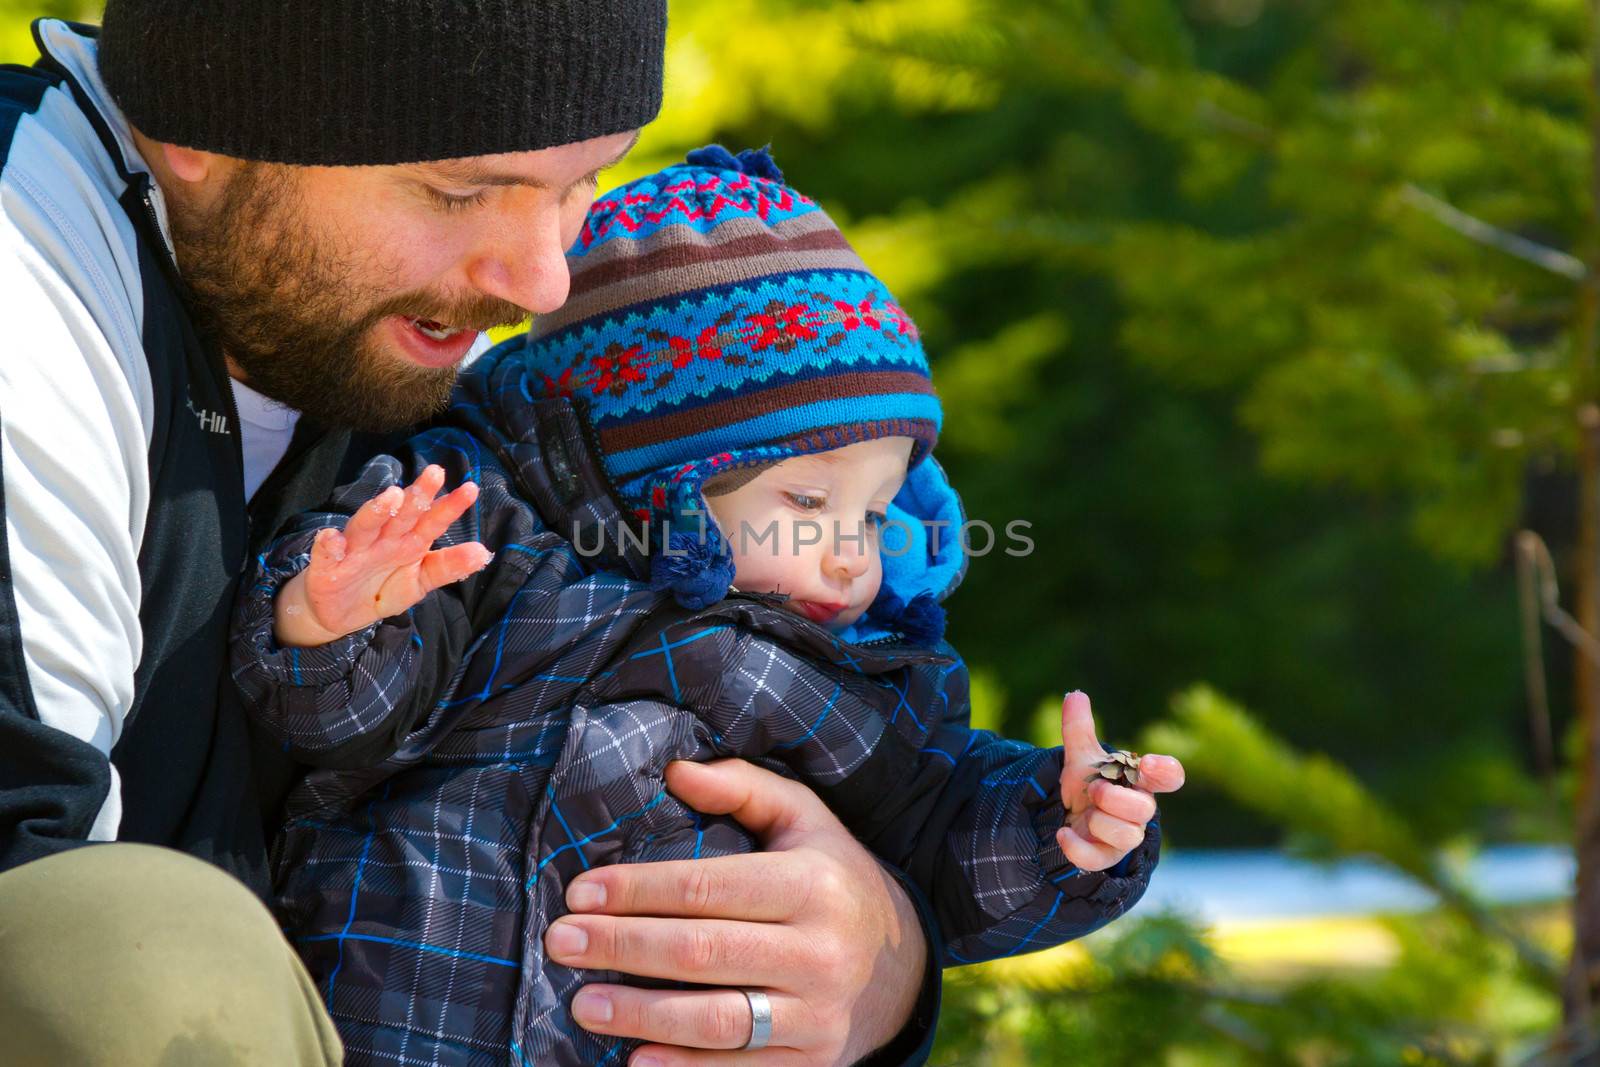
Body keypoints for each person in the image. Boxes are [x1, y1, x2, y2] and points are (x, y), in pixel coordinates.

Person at [0, 7, 979, 1064]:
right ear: (203, 122)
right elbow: (51, 927)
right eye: (458, 190)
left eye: (579, 186)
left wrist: (874, 954)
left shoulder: (474, 380)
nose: (542, 280)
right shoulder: (30, 272)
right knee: (120, 948)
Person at [230, 146, 1184, 1065]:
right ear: (659, 470)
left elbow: (938, 833)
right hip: (383, 1023)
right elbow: (345, 720)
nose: (852, 552)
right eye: (807, 502)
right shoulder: (485, 536)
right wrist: (335, 616)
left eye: (879, 510)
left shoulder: (844, 673)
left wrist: (1062, 834)